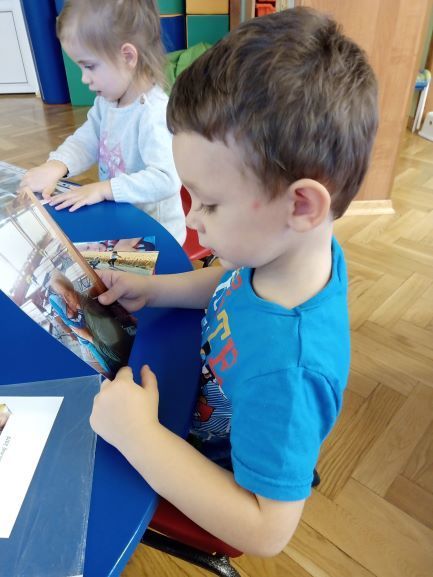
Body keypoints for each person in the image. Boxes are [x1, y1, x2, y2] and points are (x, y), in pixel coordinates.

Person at [89, 7, 378, 556]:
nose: (191, 218)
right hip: (181, 391)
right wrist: (159, 290)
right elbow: (232, 281)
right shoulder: (282, 252)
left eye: (210, 203)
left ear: (301, 205)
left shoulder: (287, 372)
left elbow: (266, 531)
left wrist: (139, 437)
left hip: (201, 465)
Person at [19, 0, 186, 246]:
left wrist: (104, 189)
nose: (84, 79)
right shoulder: (107, 102)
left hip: (156, 235)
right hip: (122, 220)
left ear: (127, 56)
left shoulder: (153, 113)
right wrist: (56, 165)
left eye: (89, 66)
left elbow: (166, 179)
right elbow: (87, 139)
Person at [48, 270, 135, 378]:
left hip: (123, 363)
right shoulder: (76, 306)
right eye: (61, 297)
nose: (65, 301)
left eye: (67, 295)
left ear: (72, 289)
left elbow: (119, 355)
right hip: (99, 345)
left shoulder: (91, 313)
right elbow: (55, 301)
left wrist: (88, 337)